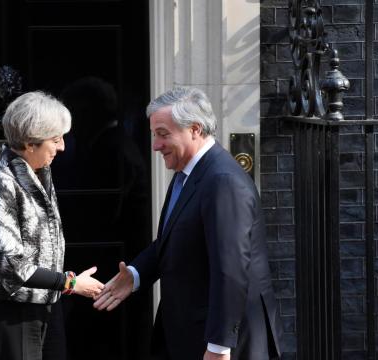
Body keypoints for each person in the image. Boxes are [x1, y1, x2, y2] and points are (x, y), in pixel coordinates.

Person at [94, 87, 283, 360]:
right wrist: (135, 275)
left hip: (220, 343)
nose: (155, 145)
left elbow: (230, 269)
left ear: (194, 129)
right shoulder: (189, 172)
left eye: (163, 134)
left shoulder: (222, 181)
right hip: (188, 331)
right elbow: (177, 238)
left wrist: (219, 347)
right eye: (154, 135)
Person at [0, 91, 104, 360]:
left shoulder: (39, 173)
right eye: (55, 140)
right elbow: (10, 264)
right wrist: (70, 282)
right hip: (7, 311)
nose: (62, 147)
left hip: (45, 305)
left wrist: (63, 283)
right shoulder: (1, 183)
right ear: (30, 143)